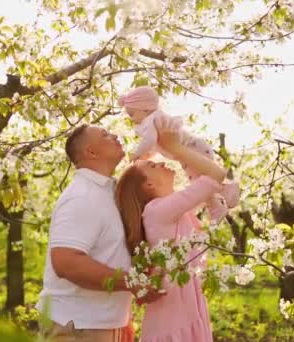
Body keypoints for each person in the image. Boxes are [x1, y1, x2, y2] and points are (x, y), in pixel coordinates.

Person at [36, 124, 163, 342]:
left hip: (99, 324)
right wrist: (132, 282)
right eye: (105, 135)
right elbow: (66, 262)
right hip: (78, 328)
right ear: (91, 152)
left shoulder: (108, 191)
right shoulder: (81, 197)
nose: (114, 134)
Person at [115, 116, 228, 342]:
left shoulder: (174, 210)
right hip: (173, 325)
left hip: (186, 314)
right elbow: (215, 176)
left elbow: (209, 176)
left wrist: (175, 148)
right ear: (148, 185)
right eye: (154, 165)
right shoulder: (158, 211)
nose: (164, 163)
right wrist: (175, 147)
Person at [118, 86, 239, 223]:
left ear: (144, 108)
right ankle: (217, 204)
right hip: (193, 149)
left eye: (132, 114)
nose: (132, 119)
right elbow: (158, 142)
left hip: (193, 149)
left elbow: (150, 140)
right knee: (201, 181)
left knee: (200, 181)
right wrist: (149, 155)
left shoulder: (150, 121)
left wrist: (137, 153)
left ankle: (224, 191)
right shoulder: (155, 119)